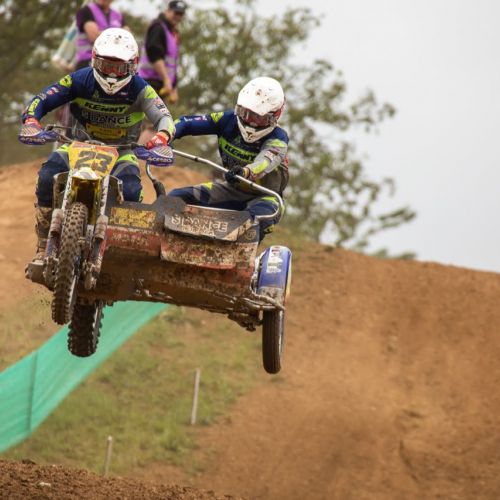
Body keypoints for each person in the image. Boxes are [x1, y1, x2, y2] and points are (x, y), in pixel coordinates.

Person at [20, 28, 175, 264]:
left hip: (122, 151)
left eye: (119, 68)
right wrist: (32, 120)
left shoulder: (141, 88)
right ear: (94, 59)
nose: (112, 74)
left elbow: (164, 117)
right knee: (48, 175)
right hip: (76, 144)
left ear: (133, 66)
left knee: (132, 191)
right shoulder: (79, 79)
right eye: (106, 65)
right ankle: (43, 241)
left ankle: (118, 251)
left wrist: (161, 137)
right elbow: (42, 98)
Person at [168, 77, 289, 240]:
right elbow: (187, 122)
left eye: (258, 117)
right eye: (245, 113)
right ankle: (164, 240)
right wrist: (165, 136)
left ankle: (241, 255)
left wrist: (246, 172)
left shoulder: (279, 139)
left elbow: (264, 162)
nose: (250, 121)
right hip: (230, 190)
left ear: (274, 116)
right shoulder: (227, 119)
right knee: (175, 197)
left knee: (251, 224)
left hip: (265, 198)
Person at [138, 0, 188, 105]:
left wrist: (174, 88)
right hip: (148, 82)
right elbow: (155, 55)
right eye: (176, 13)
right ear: (168, 11)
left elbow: (173, 64)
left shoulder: (174, 33)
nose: (178, 17)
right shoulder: (158, 28)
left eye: (181, 14)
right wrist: (166, 80)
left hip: (162, 85)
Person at [75, 0, 128, 70]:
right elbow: (94, 37)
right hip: (88, 61)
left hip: (112, 63)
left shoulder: (118, 15)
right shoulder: (86, 11)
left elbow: (127, 38)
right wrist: (118, 36)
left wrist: (103, 34)